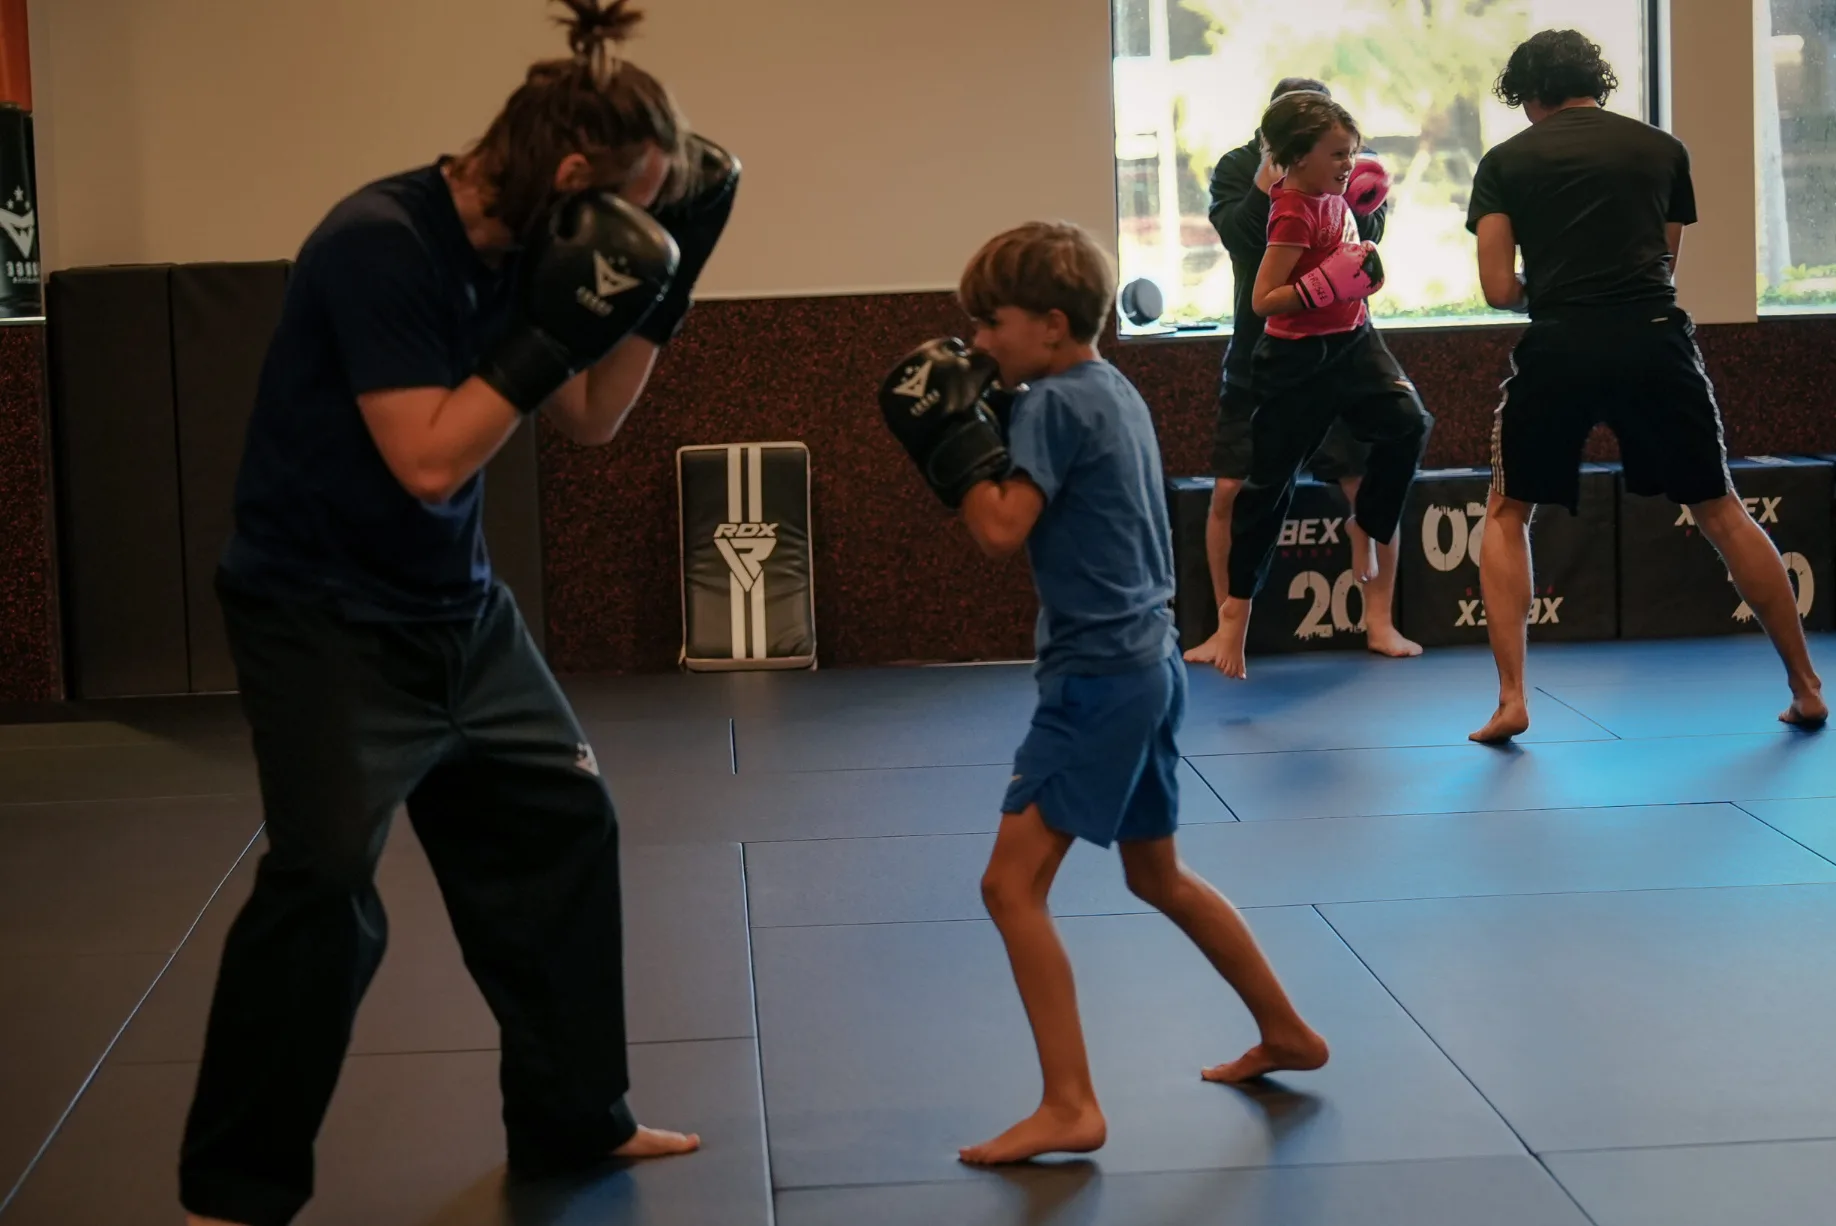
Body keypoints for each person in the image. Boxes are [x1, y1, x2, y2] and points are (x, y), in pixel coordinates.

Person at [179, 3, 741, 1223]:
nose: (630, 230)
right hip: (318, 613)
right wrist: (547, 331)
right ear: (571, 176)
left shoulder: (537, 242)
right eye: (627, 206)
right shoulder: (377, 243)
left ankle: (571, 1118)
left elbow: (590, 420)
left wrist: (661, 290)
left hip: (455, 607)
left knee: (564, 825)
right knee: (324, 884)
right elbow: (429, 459)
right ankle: (231, 1190)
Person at [878, 222, 1329, 1167]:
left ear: (1048, 325)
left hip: (1098, 679)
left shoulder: (1046, 405)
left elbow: (1002, 530)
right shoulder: (1110, 388)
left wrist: (946, 446)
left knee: (1010, 886)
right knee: (1154, 874)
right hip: (1151, 665)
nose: (978, 342)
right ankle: (1286, 1030)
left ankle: (1070, 1104)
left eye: (989, 323)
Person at [1465, 30, 1827, 743]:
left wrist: (1555, 284)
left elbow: (1498, 287)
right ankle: (1807, 687)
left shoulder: (1506, 160)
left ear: (1531, 94)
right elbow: (1664, 261)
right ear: (1592, 81)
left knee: (1508, 512)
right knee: (1721, 509)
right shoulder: (1662, 148)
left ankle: (1512, 699)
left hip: (1562, 342)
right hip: (1653, 336)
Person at [1186, 92, 1433, 680]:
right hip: (1295, 359)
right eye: (1338, 154)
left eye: (1352, 152)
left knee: (1409, 424)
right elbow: (1264, 297)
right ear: (1297, 156)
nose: (1350, 162)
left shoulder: (1334, 193)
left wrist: (1365, 254)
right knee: (1265, 491)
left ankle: (1365, 525)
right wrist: (1324, 286)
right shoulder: (1292, 206)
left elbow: (1352, 253)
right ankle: (1235, 620)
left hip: (1352, 343)